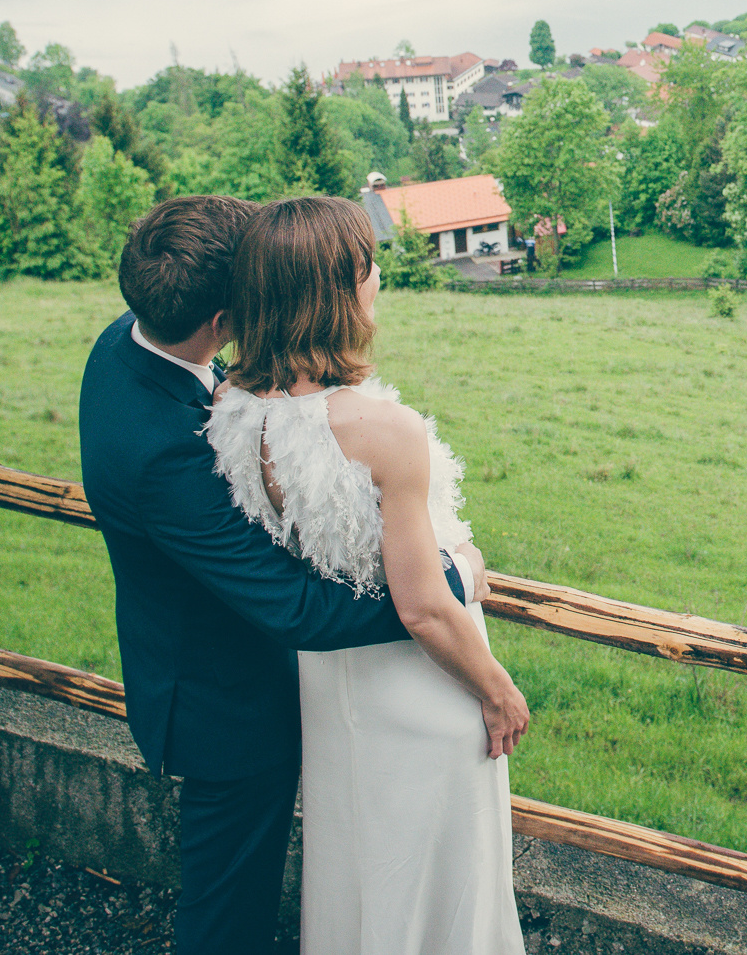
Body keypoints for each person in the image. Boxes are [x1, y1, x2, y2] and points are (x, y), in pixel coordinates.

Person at [80, 194, 484, 955]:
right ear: (225, 318)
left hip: (204, 660)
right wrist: (448, 582)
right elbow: (298, 609)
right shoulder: (161, 455)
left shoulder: (128, 342)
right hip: (223, 704)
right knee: (227, 910)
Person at [205, 195, 530, 955]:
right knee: (445, 880)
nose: (377, 276)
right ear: (337, 292)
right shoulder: (384, 430)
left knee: (359, 869)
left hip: (327, 683)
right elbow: (421, 607)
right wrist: (496, 688)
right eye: (368, 265)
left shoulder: (232, 402)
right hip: (424, 686)